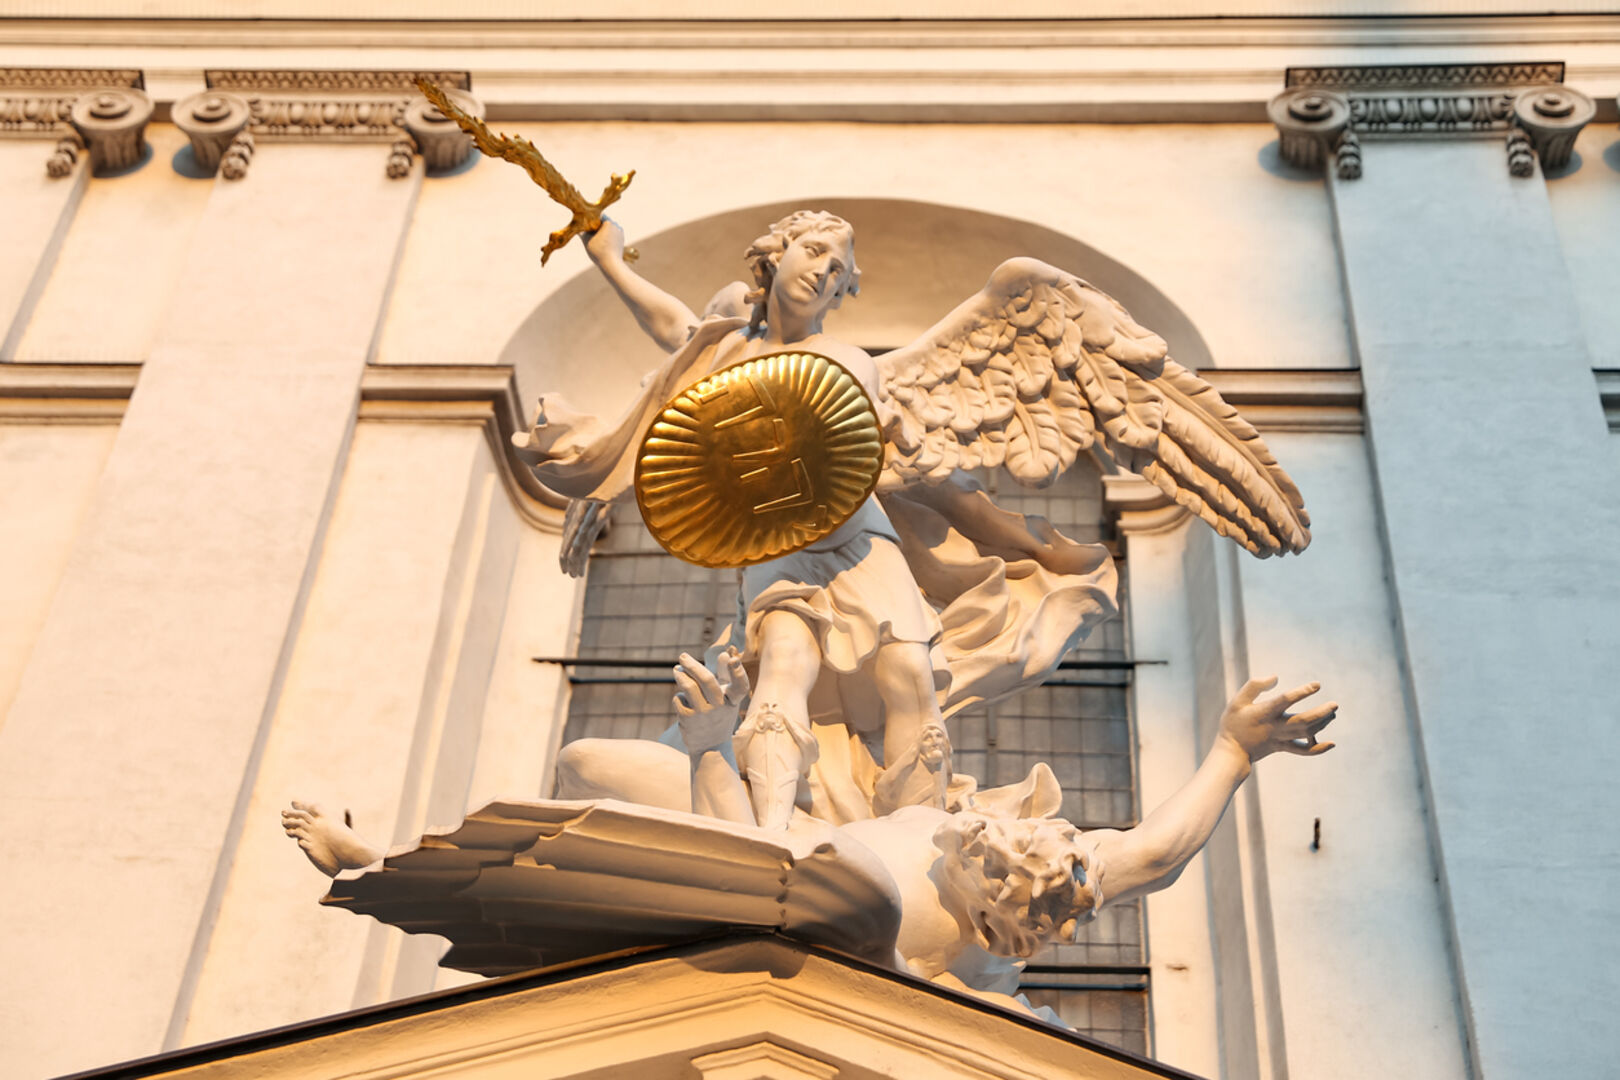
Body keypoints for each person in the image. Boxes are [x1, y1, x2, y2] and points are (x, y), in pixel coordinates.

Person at [520, 211, 969, 830]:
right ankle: (771, 835)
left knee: (909, 673)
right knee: (783, 660)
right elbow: (674, 327)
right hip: (777, 537)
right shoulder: (730, 351)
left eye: (838, 270)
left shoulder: (841, 356)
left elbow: (857, 413)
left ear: (842, 291)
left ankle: (922, 838)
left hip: (859, 538)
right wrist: (611, 261)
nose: (823, 272)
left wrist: (882, 422)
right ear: (776, 255)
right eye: (814, 251)